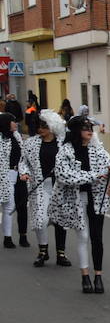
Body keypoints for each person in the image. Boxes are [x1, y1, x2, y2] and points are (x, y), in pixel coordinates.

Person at [54, 115, 110, 293]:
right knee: (83, 237)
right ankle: (85, 275)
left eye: (91, 128)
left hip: (97, 199)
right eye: (85, 128)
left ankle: (98, 275)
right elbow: (63, 175)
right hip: (76, 199)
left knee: (97, 238)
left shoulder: (97, 150)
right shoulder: (66, 151)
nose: (90, 131)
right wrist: (93, 176)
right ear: (76, 131)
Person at [22, 111, 70, 268]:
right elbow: (24, 162)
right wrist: (24, 173)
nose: (40, 129)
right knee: (40, 220)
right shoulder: (31, 143)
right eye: (38, 126)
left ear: (52, 126)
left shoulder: (64, 144)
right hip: (40, 187)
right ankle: (43, 251)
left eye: (44, 126)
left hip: (61, 187)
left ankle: (61, 253)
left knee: (60, 220)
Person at [2, 112, 30, 248]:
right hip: (5, 175)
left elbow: (23, 157)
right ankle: (7, 238)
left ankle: (23, 236)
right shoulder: (1, 139)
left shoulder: (17, 136)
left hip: (18, 174)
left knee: (22, 205)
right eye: (13, 121)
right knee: (8, 206)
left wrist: (24, 172)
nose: (16, 124)